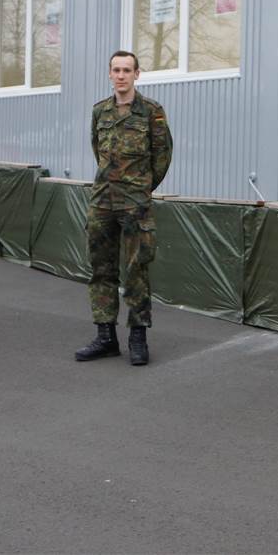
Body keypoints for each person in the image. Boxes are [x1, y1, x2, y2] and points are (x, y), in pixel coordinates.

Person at [75, 50, 172, 365]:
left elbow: (162, 156)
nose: (121, 75)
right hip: (102, 201)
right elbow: (97, 149)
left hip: (135, 204)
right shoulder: (99, 112)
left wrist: (141, 187)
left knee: (136, 270)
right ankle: (105, 337)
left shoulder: (151, 112)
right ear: (109, 74)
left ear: (136, 74)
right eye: (116, 70)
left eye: (126, 70)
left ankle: (138, 337)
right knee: (101, 269)